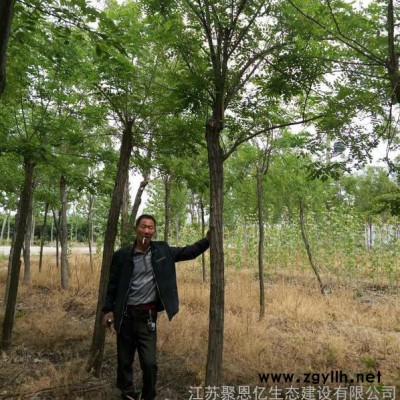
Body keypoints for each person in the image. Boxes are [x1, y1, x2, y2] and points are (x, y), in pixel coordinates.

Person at [102, 214, 210, 400]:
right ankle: (127, 394)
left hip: (147, 317)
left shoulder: (162, 251)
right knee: (124, 361)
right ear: (136, 229)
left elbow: (188, 252)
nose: (147, 231)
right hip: (125, 316)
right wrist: (107, 310)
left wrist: (207, 241)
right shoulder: (122, 256)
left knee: (149, 363)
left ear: (154, 231)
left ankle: (148, 396)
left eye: (150, 228)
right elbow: (112, 285)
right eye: (143, 227)